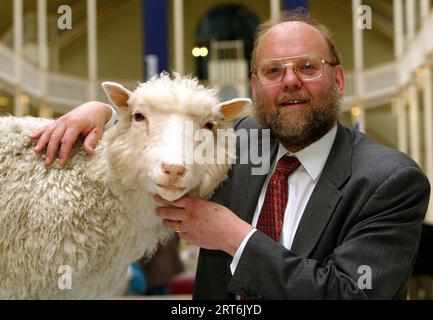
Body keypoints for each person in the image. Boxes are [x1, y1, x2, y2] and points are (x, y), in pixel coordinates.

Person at [30, 10, 430, 299]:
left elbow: (349, 294)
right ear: (254, 87)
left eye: (308, 67)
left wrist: (236, 238)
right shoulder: (233, 141)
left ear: (338, 79)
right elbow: (162, 133)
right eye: (273, 71)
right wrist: (103, 113)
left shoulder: (389, 181)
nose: (290, 81)